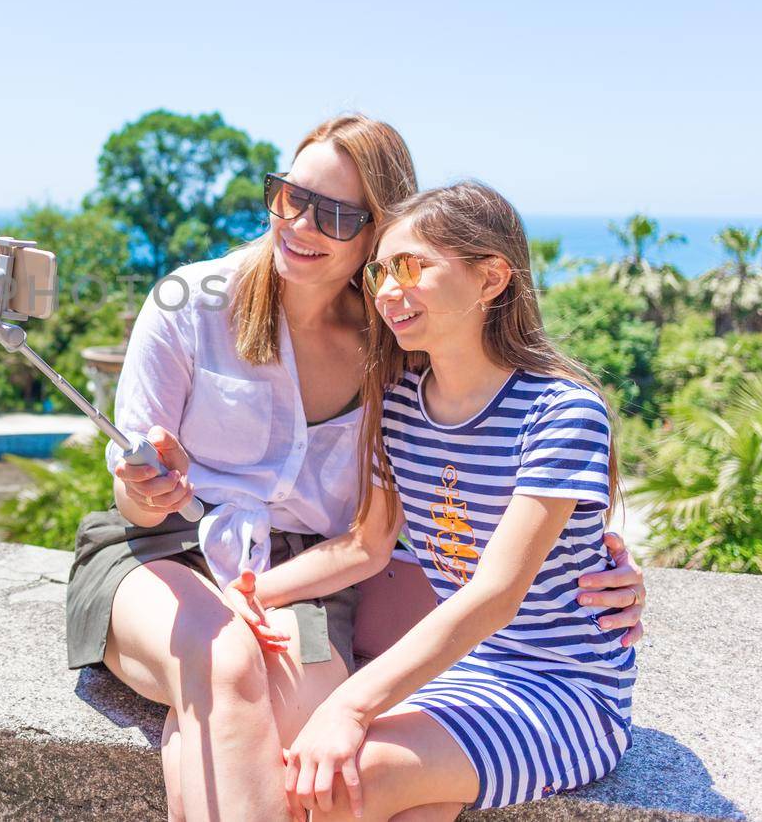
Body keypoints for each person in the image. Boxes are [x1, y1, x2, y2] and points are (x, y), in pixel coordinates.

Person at [62, 115, 647, 822]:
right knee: (245, 693)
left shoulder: (433, 374)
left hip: (513, 668)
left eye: (336, 214)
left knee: (314, 766)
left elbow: (482, 568)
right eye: (289, 197)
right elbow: (377, 540)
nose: (301, 223)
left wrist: (599, 554)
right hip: (177, 555)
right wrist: (177, 519)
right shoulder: (374, 387)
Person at [272, 180, 636, 821]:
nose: (388, 290)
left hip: (569, 691)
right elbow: (367, 545)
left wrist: (350, 703)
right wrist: (247, 596)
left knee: (336, 783)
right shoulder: (402, 404)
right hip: (467, 674)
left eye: (411, 267)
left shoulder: (559, 412)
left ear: (491, 277)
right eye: (381, 271)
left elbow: (497, 592)